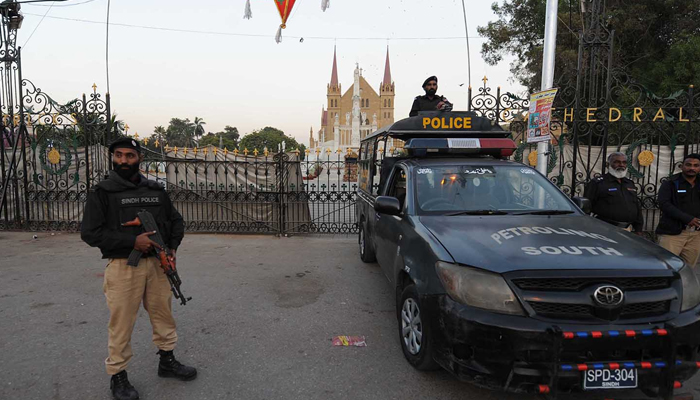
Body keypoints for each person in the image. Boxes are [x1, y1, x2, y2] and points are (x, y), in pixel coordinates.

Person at [81, 137, 196, 400]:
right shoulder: (103, 192)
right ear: (113, 158)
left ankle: (167, 361)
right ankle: (118, 376)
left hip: (158, 264)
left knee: (163, 314)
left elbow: (175, 221)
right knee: (121, 323)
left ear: (139, 158)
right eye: (119, 155)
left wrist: (172, 248)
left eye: (129, 156)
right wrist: (133, 241)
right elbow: (90, 233)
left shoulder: (155, 190)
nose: (124, 161)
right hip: (124, 266)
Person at [656, 153, 700, 267]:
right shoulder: (670, 183)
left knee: (688, 269)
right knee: (666, 267)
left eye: (696, 165)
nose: (692, 168)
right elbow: (664, 204)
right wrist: (687, 219)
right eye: (688, 165)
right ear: (682, 166)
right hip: (672, 234)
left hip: (695, 234)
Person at [584, 152, 644, 235]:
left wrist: (638, 229)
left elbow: (636, 206)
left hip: (627, 230)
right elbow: (586, 207)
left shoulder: (629, 183)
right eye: (617, 162)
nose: (621, 165)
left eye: (624, 162)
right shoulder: (598, 183)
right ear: (608, 165)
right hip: (604, 229)